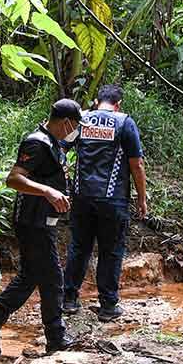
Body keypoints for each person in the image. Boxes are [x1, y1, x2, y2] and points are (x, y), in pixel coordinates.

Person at [0, 99, 82, 356]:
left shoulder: (54, 142)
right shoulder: (36, 143)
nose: (75, 131)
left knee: (30, 277)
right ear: (66, 123)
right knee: (53, 279)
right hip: (32, 222)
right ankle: (56, 338)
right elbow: (14, 179)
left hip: (42, 221)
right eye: (75, 125)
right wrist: (48, 192)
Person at [62, 84, 147, 321]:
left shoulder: (82, 120)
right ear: (118, 104)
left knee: (79, 247)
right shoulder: (124, 122)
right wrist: (141, 198)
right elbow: (137, 165)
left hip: (82, 196)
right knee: (111, 250)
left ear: (96, 102)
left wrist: (63, 181)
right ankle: (108, 305)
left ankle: (69, 300)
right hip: (113, 200)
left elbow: (60, 148)